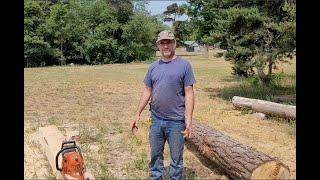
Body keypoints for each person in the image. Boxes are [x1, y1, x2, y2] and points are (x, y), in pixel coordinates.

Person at [131, 30, 196, 180]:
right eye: (162, 43)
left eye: (168, 42)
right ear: (158, 46)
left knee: (176, 160)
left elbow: (189, 93)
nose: (165, 45)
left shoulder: (184, 66)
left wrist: (188, 120)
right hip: (156, 119)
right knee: (155, 156)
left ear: (174, 44)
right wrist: (137, 113)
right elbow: (147, 91)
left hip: (176, 121)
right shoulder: (153, 66)